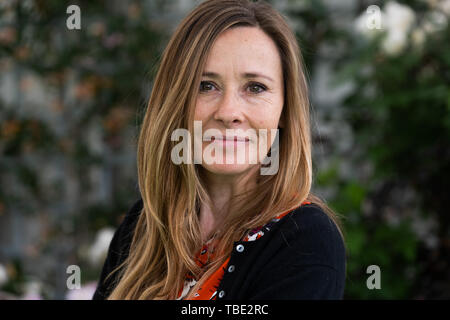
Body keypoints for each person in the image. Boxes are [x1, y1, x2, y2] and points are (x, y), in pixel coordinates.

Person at [93, 0, 346, 300]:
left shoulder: (304, 239)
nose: (228, 112)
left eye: (255, 88)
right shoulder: (143, 226)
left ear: (284, 111)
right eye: (206, 86)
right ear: (176, 103)